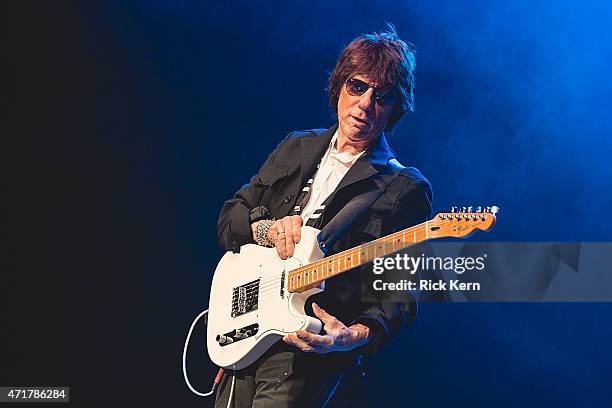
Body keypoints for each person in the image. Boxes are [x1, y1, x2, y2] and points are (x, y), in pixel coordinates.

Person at [215, 25, 432, 408]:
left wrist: (354, 335)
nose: (365, 104)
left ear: (396, 108)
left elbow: (401, 294)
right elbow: (231, 216)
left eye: (382, 97)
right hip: (247, 331)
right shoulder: (296, 145)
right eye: (357, 86)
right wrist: (266, 229)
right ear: (339, 86)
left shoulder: (403, 187)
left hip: (308, 352)